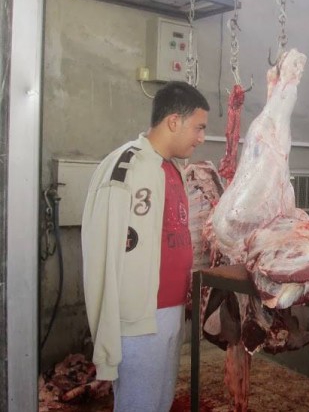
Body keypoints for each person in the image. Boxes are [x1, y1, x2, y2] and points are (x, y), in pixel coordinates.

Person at [82, 81, 209, 411]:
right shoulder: (126, 166)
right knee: (138, 404)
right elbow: (99, 257)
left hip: (172, 312)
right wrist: (106, 336)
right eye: (198, 128)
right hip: (139, 319)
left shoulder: (172, 168)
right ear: (173, 122)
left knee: (160, 402)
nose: (201, 138)